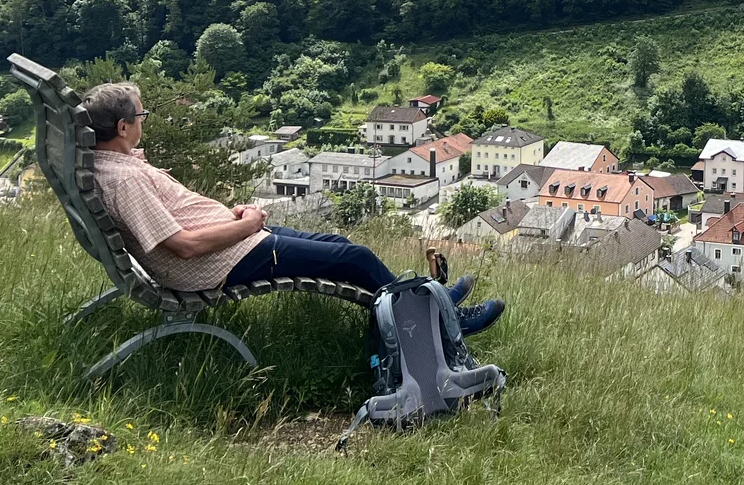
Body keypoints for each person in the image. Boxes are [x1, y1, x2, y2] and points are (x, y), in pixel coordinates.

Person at [81, 81, 504, 336]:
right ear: (122, 127)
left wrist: (234, 219)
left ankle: (435, 303)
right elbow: (186, 247)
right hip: (217, 262)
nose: (144, 121)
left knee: (339, 243)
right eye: (142, 115)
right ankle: (444, 323)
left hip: (229, 246)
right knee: (354, 258)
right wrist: (246, 227)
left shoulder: (112, 167)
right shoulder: (126, 179)